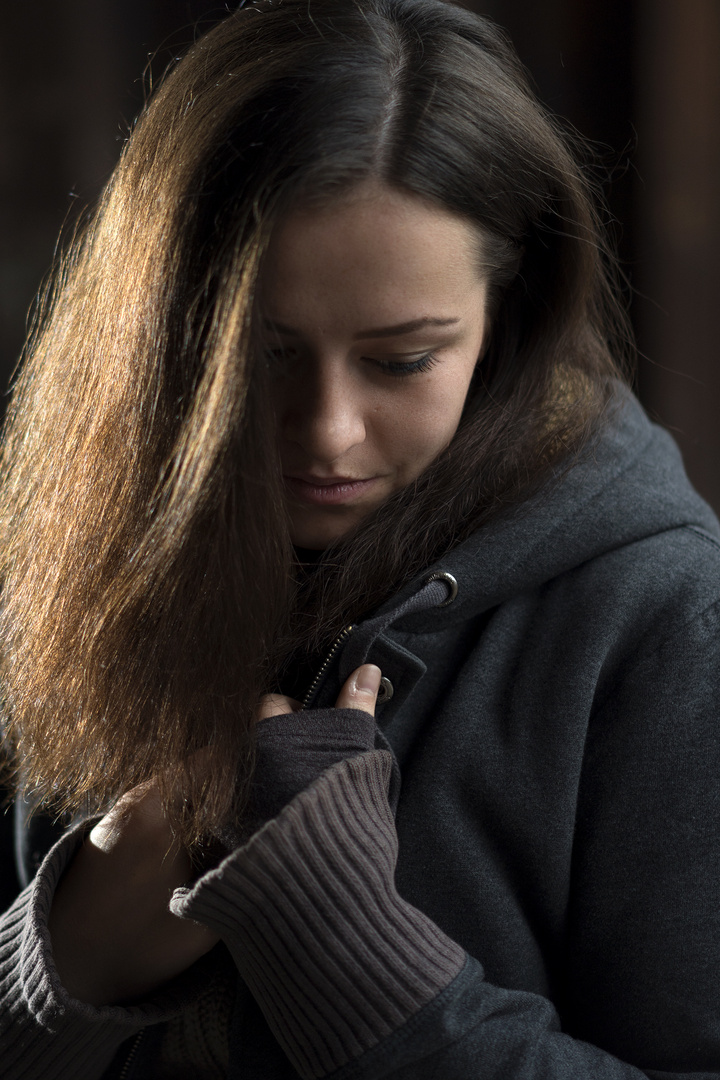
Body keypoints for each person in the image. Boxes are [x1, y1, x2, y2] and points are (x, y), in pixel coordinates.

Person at [2, 0, 720, 1076]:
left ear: (504, 318)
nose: (328, 433)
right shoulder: (88, 554)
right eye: (266, 354)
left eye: (401, 360)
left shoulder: (663, 616)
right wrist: (71, 947)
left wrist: (345, 946)